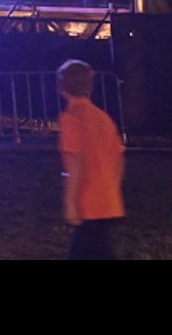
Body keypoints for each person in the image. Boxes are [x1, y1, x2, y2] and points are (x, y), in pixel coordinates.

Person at [57, 59, 124, 260]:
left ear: (62, 87)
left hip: (87, 203)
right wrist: (111, 187)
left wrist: (71, 202)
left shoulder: (72, 118)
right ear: (90, 86)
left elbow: (76, 162)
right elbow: (119, 158)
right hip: (109, 200)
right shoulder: (103, 118)